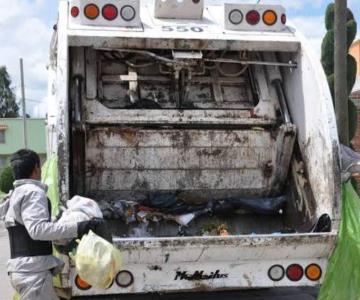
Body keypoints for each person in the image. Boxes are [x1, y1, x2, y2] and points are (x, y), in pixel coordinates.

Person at [0, 149, 105, 300]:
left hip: (22, 271)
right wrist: (79, 227)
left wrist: (56, 225)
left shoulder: (15, 194)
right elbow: (37, 230)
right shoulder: (33, 192)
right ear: (36, 168)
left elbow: (24, 227)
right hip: (33, 274)